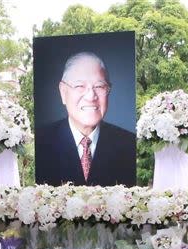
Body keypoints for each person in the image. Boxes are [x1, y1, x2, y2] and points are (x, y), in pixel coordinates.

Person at [35, 51, 136, 186]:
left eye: (99, 86)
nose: (90, 96)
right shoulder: (40, 142)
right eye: (80, 86)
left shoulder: (129, 144)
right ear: (63, 92)